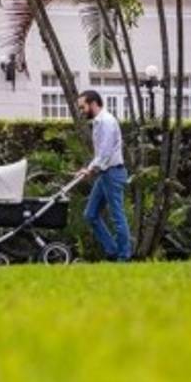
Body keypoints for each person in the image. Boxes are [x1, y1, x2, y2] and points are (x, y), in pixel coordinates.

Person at [76, 90, 133, 262]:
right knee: (90, 214)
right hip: (104, 173)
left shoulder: (107, 122)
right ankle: (113, 251)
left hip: (113, 173)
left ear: (93, 103)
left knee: (117, 216)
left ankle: (124, 257)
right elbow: (101, 154)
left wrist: (91, 170)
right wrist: (88, 169)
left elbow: (106, 152)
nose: (81, 111)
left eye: (82, 107)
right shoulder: (98, 122)